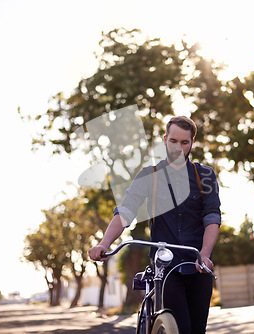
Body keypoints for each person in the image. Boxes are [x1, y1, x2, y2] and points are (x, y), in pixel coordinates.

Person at [88, 115, 221, 334]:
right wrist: (104, 243)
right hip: (166, 268)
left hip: (199, 265)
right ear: (165, 139)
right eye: (173, 141)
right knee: (181, 328)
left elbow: (212, 217)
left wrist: (204, 254)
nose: (178, 147)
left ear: (192, 143)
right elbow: (126, 211)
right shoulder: (149, 176)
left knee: (198, 330)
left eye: (184, 142)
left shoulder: (204, 175)